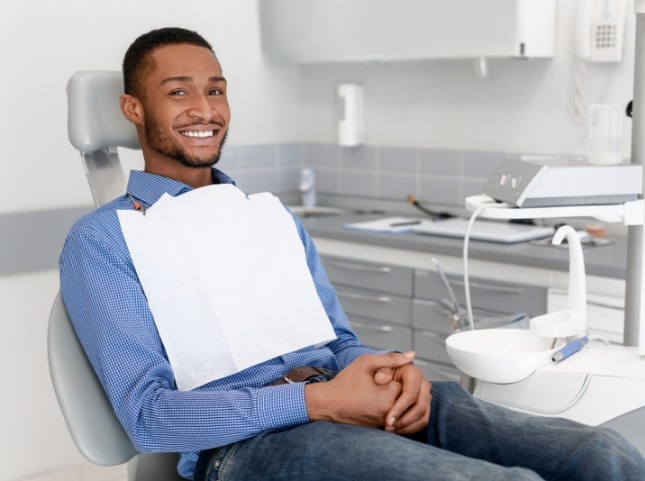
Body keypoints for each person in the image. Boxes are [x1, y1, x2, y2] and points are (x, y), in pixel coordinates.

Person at [59, 27, 645, 481]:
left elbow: (338, 342)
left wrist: (390, 371)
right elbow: (149, 415)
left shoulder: (267, 218)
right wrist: (319, 403)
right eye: (177, 92)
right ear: (133, 109)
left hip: (351, 397)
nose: (204, 109)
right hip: (250, 446)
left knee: (604, 455)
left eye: (215, 90)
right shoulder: (104, 241)